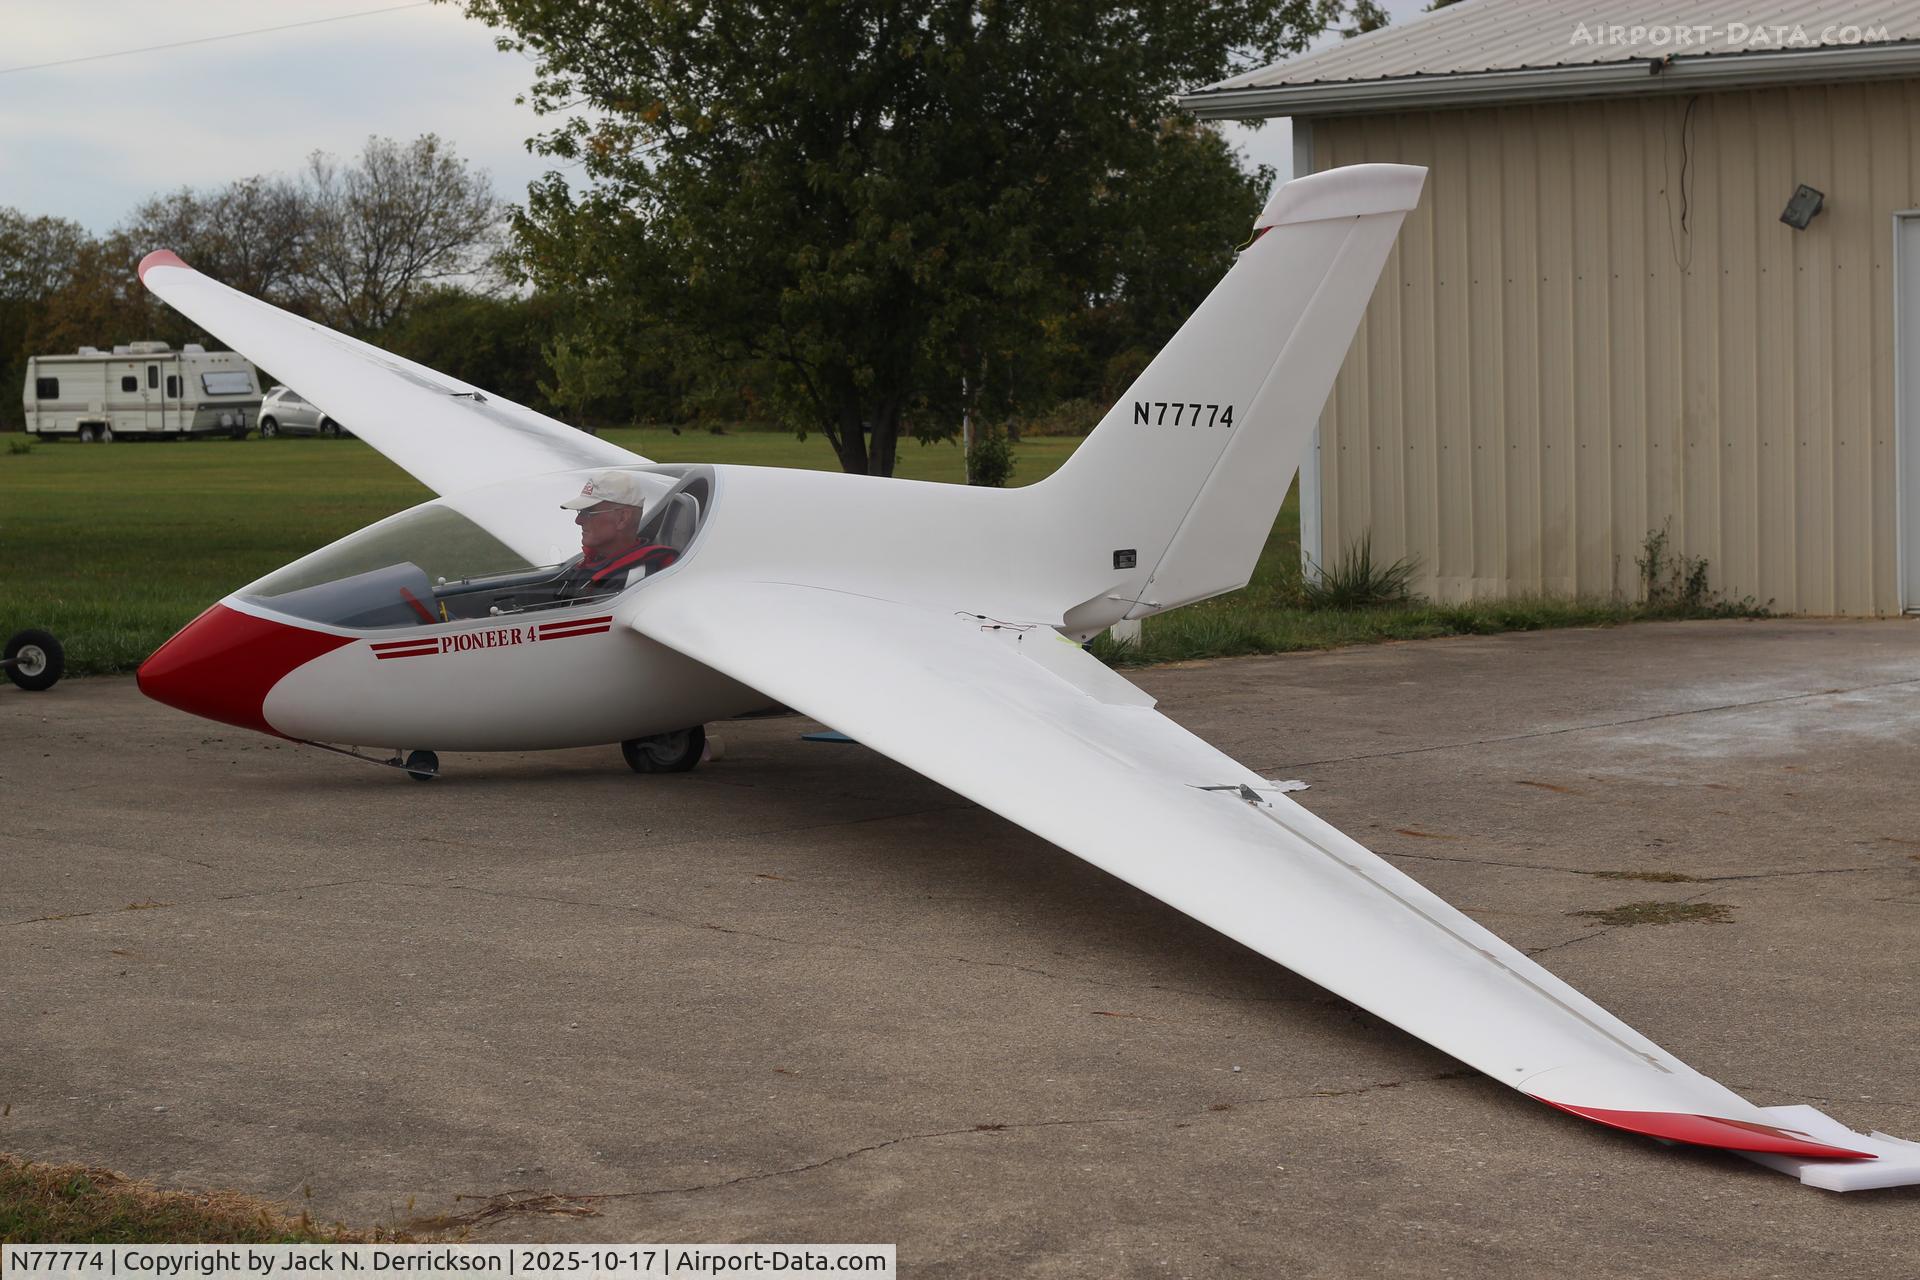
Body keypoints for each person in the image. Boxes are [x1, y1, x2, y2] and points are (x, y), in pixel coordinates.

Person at [554, 471, 680, 598]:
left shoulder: (629, 583)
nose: (578, 521)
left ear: (622, 519)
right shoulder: (596, 560)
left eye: (588, 513)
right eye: (580, 511)